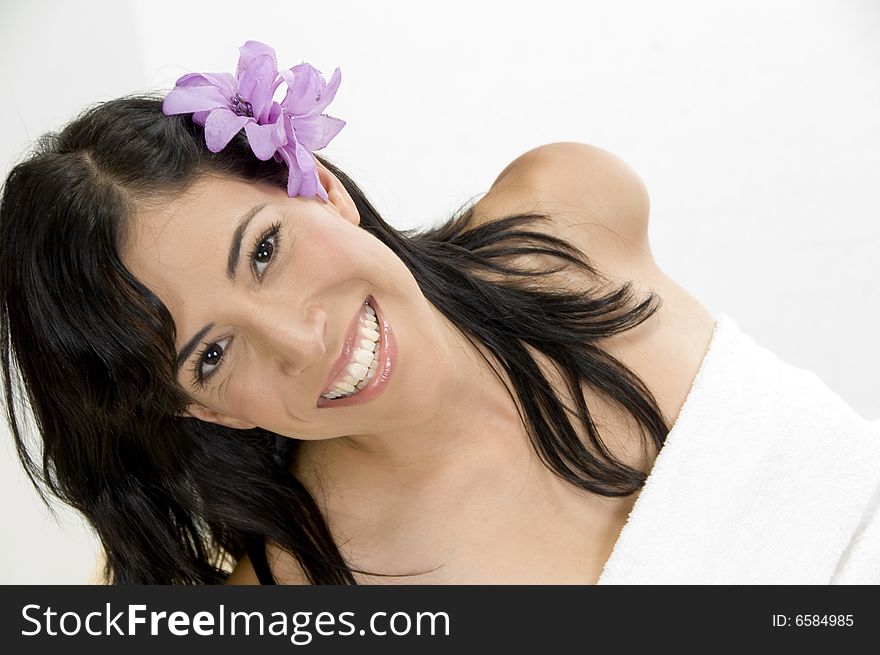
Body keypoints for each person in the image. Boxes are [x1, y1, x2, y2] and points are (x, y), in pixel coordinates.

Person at [3, 42, 876, 585]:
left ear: (319, 186)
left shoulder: (572, 206)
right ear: (202, 408)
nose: (305, 342)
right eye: (213, 353)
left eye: (265, 250)